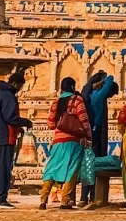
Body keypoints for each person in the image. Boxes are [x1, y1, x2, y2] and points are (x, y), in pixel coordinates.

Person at [40, 76, 89, 209]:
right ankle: (65, 201)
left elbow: (50, 124)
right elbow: (84, 120)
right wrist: (88, 137)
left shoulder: (56, 102)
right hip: (74, 141)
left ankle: (43, 200)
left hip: (57, 140)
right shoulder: (77, 100)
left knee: (51, 169)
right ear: (73, 87)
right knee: (71, 170)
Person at [79, 72, 119, 205]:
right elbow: (110, 79)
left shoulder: (89, 94)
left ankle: (86, 197)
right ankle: (92, 196)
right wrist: (101, 79)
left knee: (88, 164)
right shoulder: (98, 95)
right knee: (96, 164)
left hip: (90, 133)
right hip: (96, 133)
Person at [0, 74, 26, 208]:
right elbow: (10, 117)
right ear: (15, 84)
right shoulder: (8, 96)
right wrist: (25, 122)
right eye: (20, 86)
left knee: (0, 167)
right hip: (6, 136)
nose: (20, 89)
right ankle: (0, 198)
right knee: (4, 168)